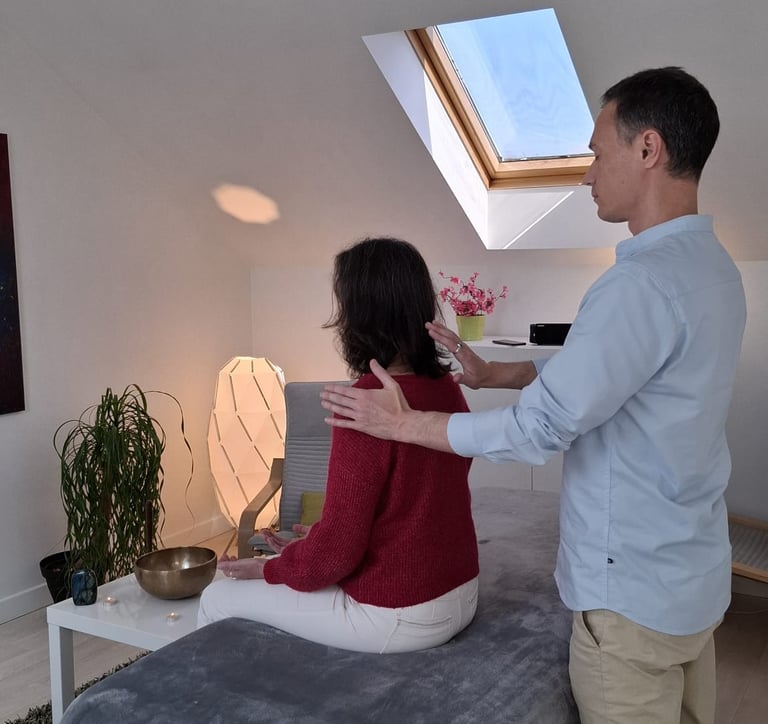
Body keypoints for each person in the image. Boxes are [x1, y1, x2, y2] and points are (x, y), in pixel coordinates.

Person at [320, 67, 747, 723]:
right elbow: (619, 378)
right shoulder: (712, 270)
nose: (587, 175)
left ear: (648, 148)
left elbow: (543, 428)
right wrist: (498, 376)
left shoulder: (639, 285)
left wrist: (408, 425)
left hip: (631, 598)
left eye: (598, 154)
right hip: (690, 580)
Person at [197, 236, 479, 654]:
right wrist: (315, 541)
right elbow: (413, 505)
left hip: (401, 612)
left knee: (215, 598)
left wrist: (272, 568)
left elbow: (336, 558)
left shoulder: (362, 403)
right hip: (462, 592)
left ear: (360, 315)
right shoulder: (446, 389)